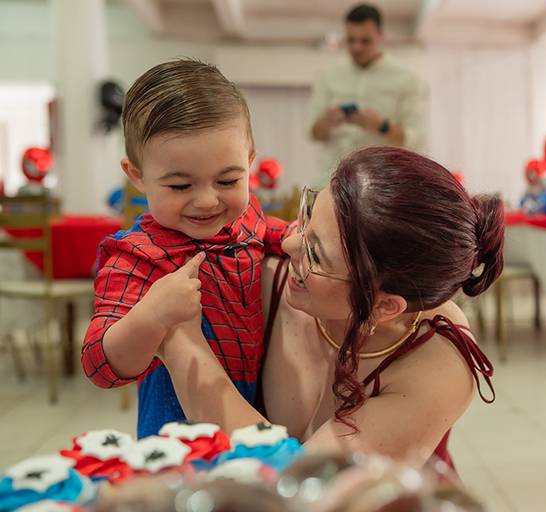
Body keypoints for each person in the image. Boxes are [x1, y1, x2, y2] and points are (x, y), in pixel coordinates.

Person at [157, 146, 502, 469]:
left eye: (316, 254)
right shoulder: (266, 273)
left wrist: (179, 344)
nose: (290, 242)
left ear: (384, 306)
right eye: (307, 216)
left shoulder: (439, 360)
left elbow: (307, 490)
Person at [81, 59, 290, 438]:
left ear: (249, 163)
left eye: (227, 180)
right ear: (138, 176)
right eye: (180, 187)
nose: (208, 201)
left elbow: (271, 232)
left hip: (250, 408)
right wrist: (151, 317)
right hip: (172, 433)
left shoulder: (245, 217)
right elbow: (99, 363)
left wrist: (298, 239)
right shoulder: (136, 257)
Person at [308, 3, 425, 185]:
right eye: (351, 40)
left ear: (381, 36)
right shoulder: (328, 75)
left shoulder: (407, 80)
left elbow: (415, 140)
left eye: (365, 41)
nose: (357, 47)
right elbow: (313, 133)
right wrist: (327, 121)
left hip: (383, 185)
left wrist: (382, 126)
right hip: (332, 181)